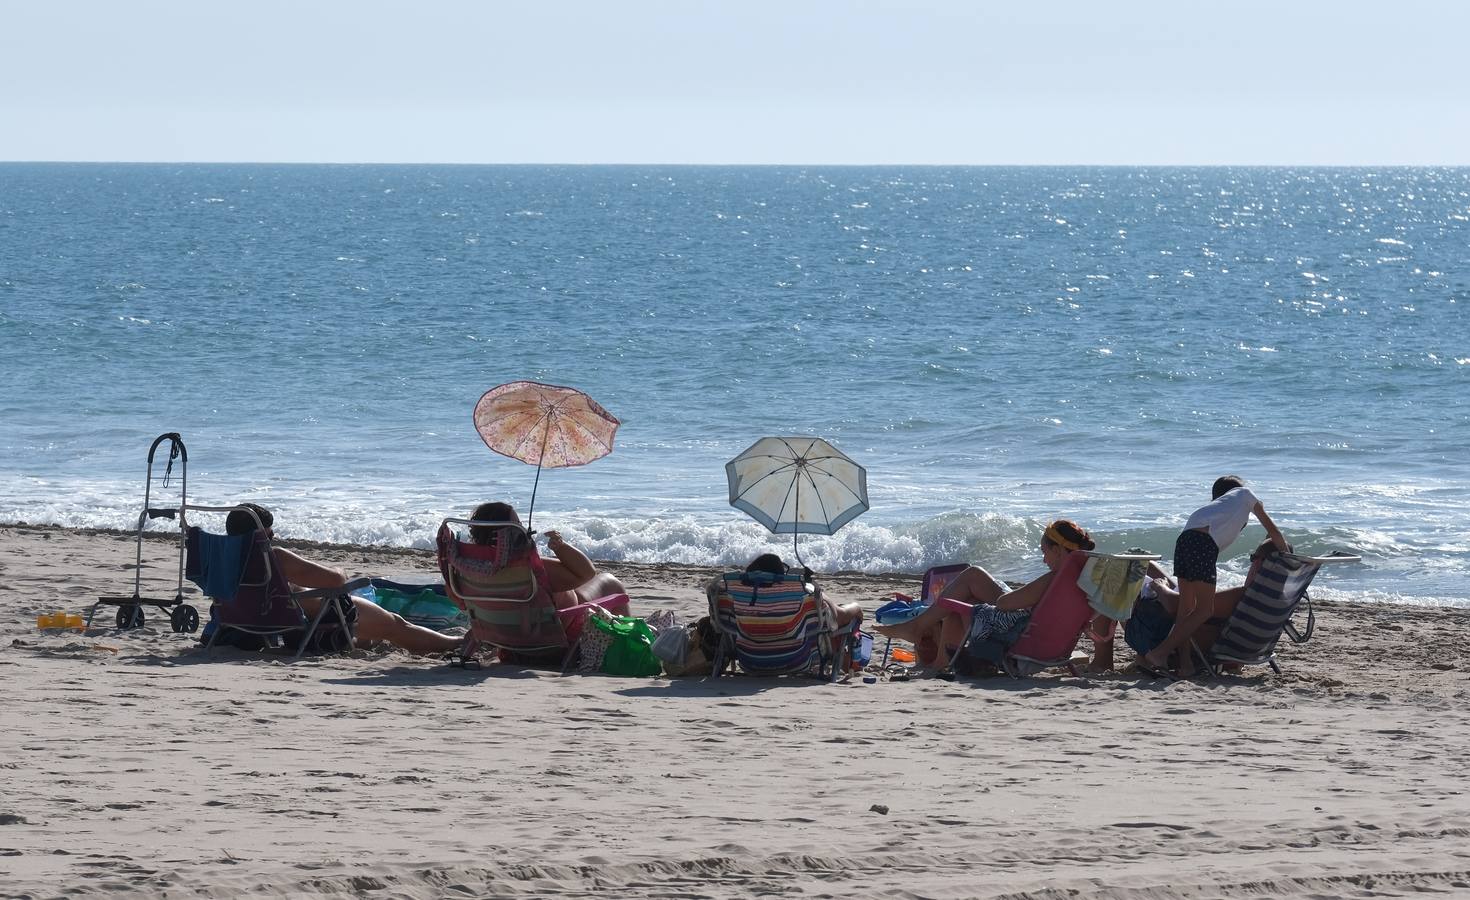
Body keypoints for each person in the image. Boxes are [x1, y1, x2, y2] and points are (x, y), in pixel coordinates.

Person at [223, 504, 462, 655]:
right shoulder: (274, 558)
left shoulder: (223, 560)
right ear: (260, 533)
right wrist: (339, 569)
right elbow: (335, 580)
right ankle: (454, 644)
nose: (274, 536)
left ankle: (437, 642)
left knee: (371, 639)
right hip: (318, 624)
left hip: (254, 626)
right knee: (396, 626)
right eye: (270, 532)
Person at [874, 519, 1096, 671]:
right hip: (1052, 641)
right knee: (968, 590)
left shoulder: (1054, 579)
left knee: (972, 577)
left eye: (1044, 552)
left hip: (1021, 633)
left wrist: (1020, 593)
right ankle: (937, 656)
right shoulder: (1083, 577)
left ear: (1057, 550)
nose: (1044, 559)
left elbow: (1005, 603)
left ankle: (918, 628)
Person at [1141, 476, 1288, 678]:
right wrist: (1290, 559)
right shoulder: (1246, 494)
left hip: (1185, 541)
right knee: (1204, 610)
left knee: (1186, 610)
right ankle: (1160, 653)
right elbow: (1273, 531)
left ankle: (1185, 665)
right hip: (1202, 545)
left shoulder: (1217, 510)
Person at [1127, 538, 1279, 672]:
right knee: (1148, 565)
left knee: (1133, 588)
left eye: (1253, 558)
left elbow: (1175, 605)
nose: (1252, 562)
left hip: (1192, 643)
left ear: (1259, 563)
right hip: (1238, 649)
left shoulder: (1239, 596)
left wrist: (1160, 587)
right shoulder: (1278, 600)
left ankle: (1108, 661)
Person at [467, 502, 629, 612]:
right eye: (517, 524)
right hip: (563, 627)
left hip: (504, 634)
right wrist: (561, 548)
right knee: (610, 582)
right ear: (507, 532)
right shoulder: (528, 568)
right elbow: (587, 573)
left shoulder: (469, 567)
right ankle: (626, 646)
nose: (523, 528)